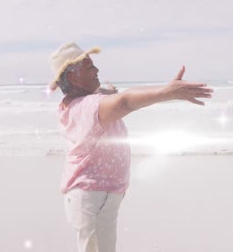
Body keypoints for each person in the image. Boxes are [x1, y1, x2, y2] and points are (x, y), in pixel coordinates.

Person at [48, 42, 213, 252]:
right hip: (92, 197)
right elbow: (124, 102)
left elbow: (109, 97)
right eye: (89, 67)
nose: (96, 70)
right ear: (72, 78)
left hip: (98, 195)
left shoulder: (81, 102)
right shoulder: (85, 108)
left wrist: (104, 91)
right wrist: (168, 92)